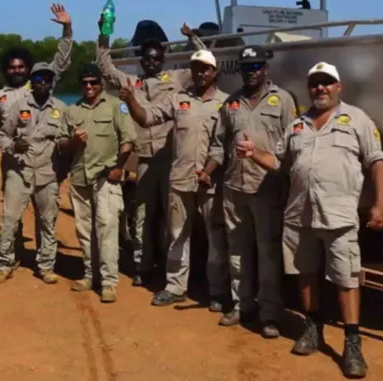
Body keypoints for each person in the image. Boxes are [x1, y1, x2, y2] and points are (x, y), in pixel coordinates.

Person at [235, 62, 383, 379]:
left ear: (338, 86)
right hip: (300, 214)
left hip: (339, 216)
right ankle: (312, 328)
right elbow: (279, 161)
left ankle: (352, 342)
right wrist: (253, 153)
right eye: (315, 84)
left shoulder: (356, 119)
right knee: (305, 273)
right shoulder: (298, 125)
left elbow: (376, 160)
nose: (320, 88)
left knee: (346, 278)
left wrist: (381, 203)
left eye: (326, 83)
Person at [96, 20, 206, 286]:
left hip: (171, 159)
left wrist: (193, 38)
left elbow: (204, 64)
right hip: (144, 160)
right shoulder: (131, 82)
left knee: (173, 218)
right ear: (141, 61)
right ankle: (142, 267)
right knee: (143, 216)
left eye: (157, 58)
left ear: (163, 59)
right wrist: (104, 34)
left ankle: (170, 270)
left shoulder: (179, 78)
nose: (152, 62)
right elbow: (104, 66)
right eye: (147, 58)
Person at [120, 49, 229, 309]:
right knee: (178, 235)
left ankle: (218, 291)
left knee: (216, 237)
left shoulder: (225, 103)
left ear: (215, 72)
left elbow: (225, 144)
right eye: (195, 68)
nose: (200, 73)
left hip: (211, 182)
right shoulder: (178, 99)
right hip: (180, 180)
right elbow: (147, 118)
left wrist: (209, 171)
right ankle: (175, 286)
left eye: (205, 68)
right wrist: (132, 100)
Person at [204, 45, 297, 338]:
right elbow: (219, 144)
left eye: (256, 66)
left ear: (265, 69)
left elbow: (293, 146)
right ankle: (241, 305)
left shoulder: (282, 101)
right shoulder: (231, 103)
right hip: (234, 187)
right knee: (237, 250)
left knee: (268, 253)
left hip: (266, 188)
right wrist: (207, 171)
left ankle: (269, 312)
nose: (251, 72)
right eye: (246, 68)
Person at [0, 3, 73, 266]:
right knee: (11, 214)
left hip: (45, 166)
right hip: (14, 165)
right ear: (6, 70)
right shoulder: (0, 98)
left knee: (45, 216)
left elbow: (59, 62)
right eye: (12, 68)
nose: (17, 70)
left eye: (21, 67)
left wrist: (67, 30)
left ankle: (44, 262)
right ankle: (9, 259)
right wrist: (10, 150)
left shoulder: (39, 83)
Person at [58, 63, 136, 303]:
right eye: (85, 82)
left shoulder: (116, 106)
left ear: (101, 84)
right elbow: (60, 144)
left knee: (107, 229)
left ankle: (109, 281)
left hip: (106, 178)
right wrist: (72, 141)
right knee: (84, 230)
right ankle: (90, 275)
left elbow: (128, 139)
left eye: (94, 82)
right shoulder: (72, 111)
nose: (89, 86)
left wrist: (119, 167)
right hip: (80, 177)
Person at [0, 62, 68, 285]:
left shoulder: (61, 109)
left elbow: (67, 141)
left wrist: (62, 170)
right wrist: (14, 147)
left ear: (52, 82)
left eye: (47, 79)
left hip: (47, 172)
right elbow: (2, 135)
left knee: (47, 221)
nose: (42, 82)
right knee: (9, 219)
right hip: (20, 170)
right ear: (31, 82)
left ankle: (46, 266)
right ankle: (4, 264)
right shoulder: (18, 106)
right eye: (38, 79)